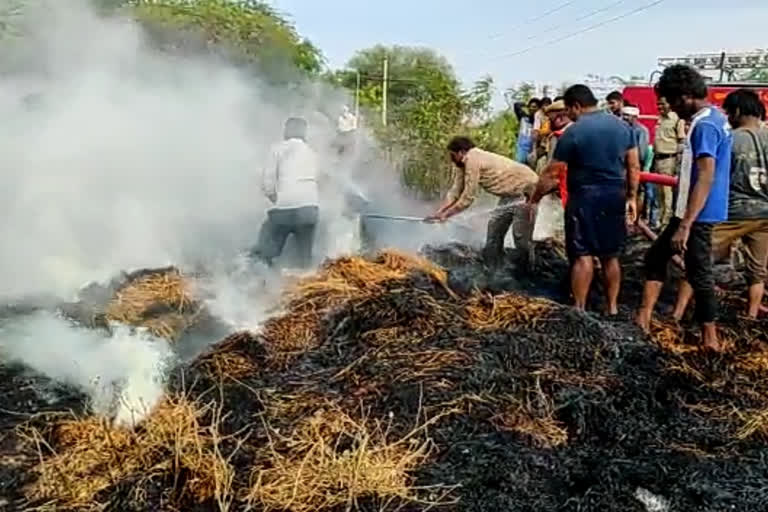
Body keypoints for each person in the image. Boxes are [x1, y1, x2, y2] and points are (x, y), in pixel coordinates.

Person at [635, 65, 733, 351]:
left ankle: (710, 338)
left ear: (688, 96)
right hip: (690, 210)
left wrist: (686, 224)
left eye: (674, 101)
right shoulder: (716, 118)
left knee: (699, 273)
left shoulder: (704, 126)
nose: (673, 109)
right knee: (656, 258)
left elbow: (706, 175)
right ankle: (644, 315)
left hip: (697, 214)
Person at [533, 85, 640, 314]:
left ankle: (579, 309)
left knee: (583, 256)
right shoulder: (622, 127)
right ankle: (612, 308)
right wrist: (631, 197)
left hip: (584, 197)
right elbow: (633, 165)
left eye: (569, 111)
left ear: (576, 106)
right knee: (611, 256)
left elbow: (552, 173)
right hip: (614, 195)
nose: (568, 116)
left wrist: (534, 198)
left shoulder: (573, 132)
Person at [672, 89, 768, 320]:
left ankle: (678, 312)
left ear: (736, 111)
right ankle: (751, 316)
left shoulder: (731, 138)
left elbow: (712, 176)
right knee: (757, 271)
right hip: (765, 213)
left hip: (733, 212)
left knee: (697, 259)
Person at [427, 136, 538, 268]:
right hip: (509, 196)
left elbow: (467, 198)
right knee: (494, 232)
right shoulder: (462, 164)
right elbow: (455, 191)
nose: (451, 159)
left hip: (527, 192)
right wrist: (440, 212)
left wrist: (446, 215)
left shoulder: (472, 159)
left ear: (461, 152)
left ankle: (528, 271)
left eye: (452, 155)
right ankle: (494, 269)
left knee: (520, 238)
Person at [252, 117, 320, 269]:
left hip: (284, 208)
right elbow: (318, 179)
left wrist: (275, 199)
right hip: (310, 209)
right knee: (304, 256)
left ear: (287, 130)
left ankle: (261, 283)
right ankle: (307, 281)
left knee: (266, 252)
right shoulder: (312, 152)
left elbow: (268, 182)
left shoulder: (277, 149)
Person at [654, 96, 687, 227]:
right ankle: (661, 221)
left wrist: (677, 164)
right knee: (660, 195)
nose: (660, 107)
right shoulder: (660, 119)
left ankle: (666, 224)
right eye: (658, 104)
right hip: (658, 160)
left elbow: (681, 142)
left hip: (669, 160)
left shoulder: (677, 119)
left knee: (668, 195)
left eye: (662, 104)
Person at [622, 104, 656, 226]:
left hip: (636, 167)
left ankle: (635, 221)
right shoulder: (621, 129)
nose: (624, 118)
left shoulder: (641, 131)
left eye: (627, 116)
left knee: (637, 193)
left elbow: (641, 153)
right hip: (622, 167)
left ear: (635, 117)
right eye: (623, 115)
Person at [514, 98, 540, 164]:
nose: (532, 109)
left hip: (532, 150)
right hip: (522, 149)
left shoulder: (539, 121)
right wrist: (526, 104)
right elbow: (516, 105)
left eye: (535, 107)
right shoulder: (523, 117)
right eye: (531, 107)